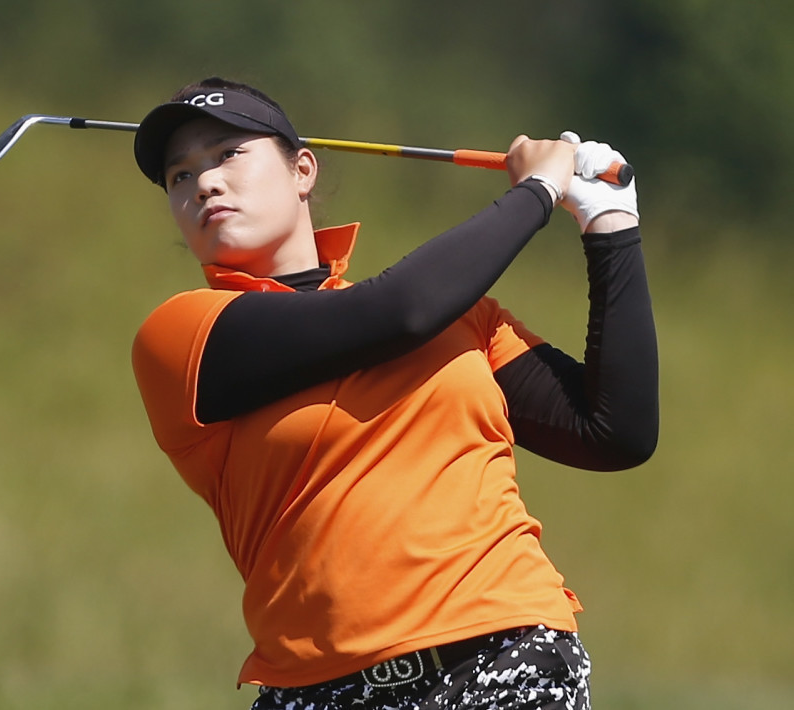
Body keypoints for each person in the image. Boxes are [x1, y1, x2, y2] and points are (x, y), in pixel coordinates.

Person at [130, 76, 658, 710]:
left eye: (228, 154)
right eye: (180, 175)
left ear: (302, 170)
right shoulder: (183, 336)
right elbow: (397, 312)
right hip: (317, 690)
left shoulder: (462, 321)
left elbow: (614, 431)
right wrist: (537, 192)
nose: (205, 184)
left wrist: (610, 223)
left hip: (505, 655)